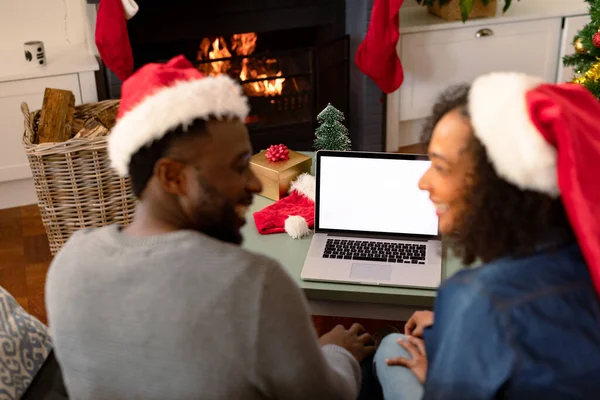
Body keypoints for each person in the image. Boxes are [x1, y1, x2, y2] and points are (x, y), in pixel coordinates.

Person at [45, 55, 375, 399]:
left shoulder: (68, 263)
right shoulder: (255, 284)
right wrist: (337, 353)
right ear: (173, 177)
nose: (253, 183)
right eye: (237, 167)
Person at [374, 72, 600, 399]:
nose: (423, 182)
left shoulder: (479, 297)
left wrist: (438, 375)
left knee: (388, 348)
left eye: (440, 167)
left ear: (496, 190)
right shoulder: (587, 252)